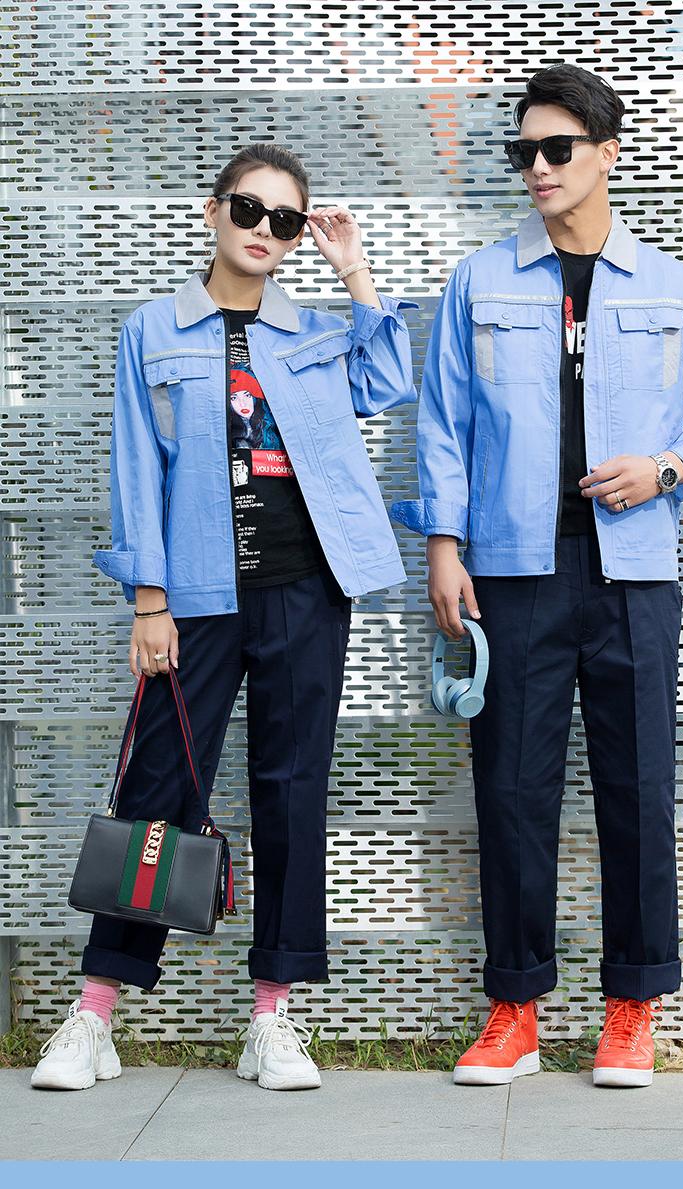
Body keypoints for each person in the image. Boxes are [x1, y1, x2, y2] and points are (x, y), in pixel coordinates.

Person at [391, 64, 683, 1089]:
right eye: (524, 152)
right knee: (511, 788)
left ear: (607, 153)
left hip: (634, 572)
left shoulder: (672, 287)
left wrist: (666, 466)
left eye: (557, 148)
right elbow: (443, 424)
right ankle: (514, 1011)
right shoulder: (480, 280)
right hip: (513, 571)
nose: (538, 168)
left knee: (639, 787)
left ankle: (632, 1008)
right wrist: (443, 546)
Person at [32, 142, 417, 1092]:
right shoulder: (153, 329)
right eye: (249, 209)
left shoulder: (314, 332)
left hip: (306, 591)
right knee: (157, 788)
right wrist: (149, 599)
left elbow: (386, 382)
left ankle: (272, 1015)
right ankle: (96, 1011)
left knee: (291, 791)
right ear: (213, 211)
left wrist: (354, 271)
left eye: (285, 220)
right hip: (195, 595)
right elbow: (135, 466)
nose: (264, 231)